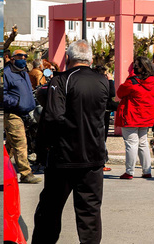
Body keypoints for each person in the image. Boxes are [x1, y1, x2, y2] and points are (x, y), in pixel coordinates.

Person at [32, 40, 110, 243]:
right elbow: (103, 114)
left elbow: (53, 118)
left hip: (64, 157)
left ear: (68, 58)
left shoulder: (61, 81)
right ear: (91, 59)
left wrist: (42, 148)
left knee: (49, 210)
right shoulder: (102, 81)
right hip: (93, 156)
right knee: (90, 213)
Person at [115, 56, 154, 180]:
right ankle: (147, 170)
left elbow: (120, 93)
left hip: (131, 115)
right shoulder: (152, 81)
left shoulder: (132, 81)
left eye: (136, 66)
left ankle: (129, 171)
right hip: (146, 115)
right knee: (143, 143)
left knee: (131, 144)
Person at [4, 49, 41, 184]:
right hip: (13, 114)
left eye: (25, 56)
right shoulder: (7, 73)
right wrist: (17, 103)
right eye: (20, 56)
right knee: (20, 143)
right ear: (13, 58)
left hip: (25, 113)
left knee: (10, 147)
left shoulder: (24, 72)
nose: (23, 58)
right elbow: (3, 94)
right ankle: (26, 174)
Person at [92, 65, 118, 172]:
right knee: (102, 138)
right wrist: (111, 80)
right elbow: (112, 93)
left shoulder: (92, 82)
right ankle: (101, 163)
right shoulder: (104, 82)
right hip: (104, 113)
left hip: (93, 112)